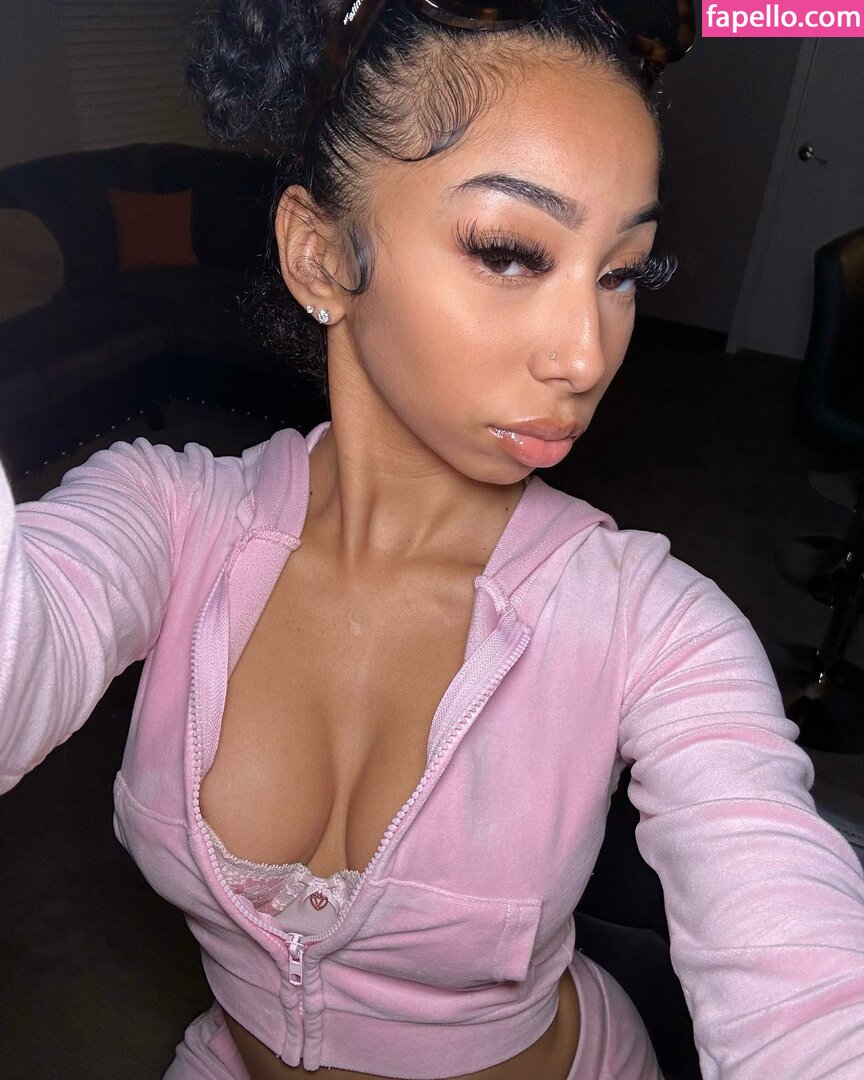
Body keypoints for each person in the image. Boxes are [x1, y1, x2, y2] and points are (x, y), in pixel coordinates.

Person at [2, 0, 864, 1077]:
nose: (587, 354)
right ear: (321, 257)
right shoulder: (165, 517)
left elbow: (805, 987)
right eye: (511, 253)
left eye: (622, 272)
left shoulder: (655, 626)